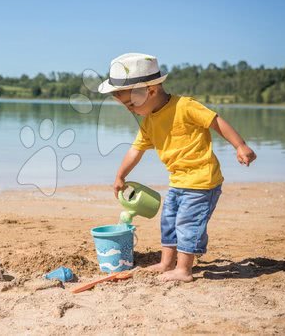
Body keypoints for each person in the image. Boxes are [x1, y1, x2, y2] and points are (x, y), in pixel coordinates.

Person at [98, 53, 257, 282]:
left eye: (131, 103)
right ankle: (166, 263)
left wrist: (240, 145)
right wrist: (120, 175)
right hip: (178, 181)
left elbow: (215, 121)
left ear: (150, 91)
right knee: (169, 221)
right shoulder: (150, 121)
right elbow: (136, 149)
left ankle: (183, 270)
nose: (130, 110)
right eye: (126, 106)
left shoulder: (185, 106)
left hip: (202, 180)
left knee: (187, 223)